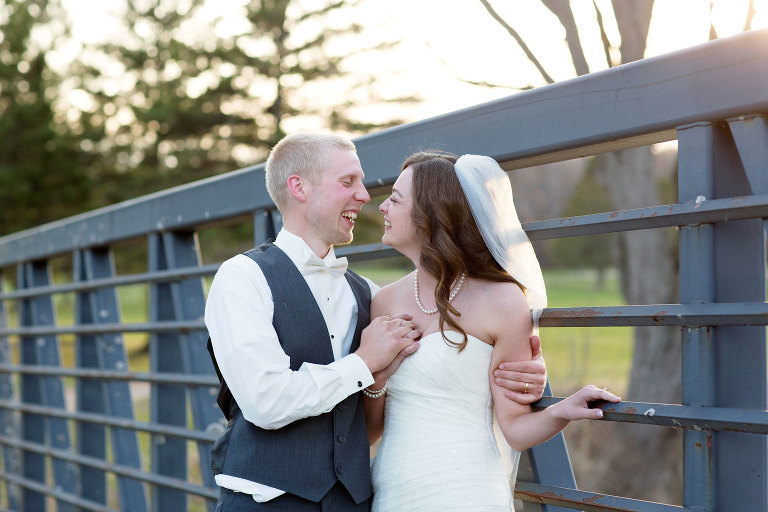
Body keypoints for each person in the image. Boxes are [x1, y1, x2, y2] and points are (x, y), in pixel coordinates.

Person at [205, 133, 548, 511]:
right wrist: (364, 364)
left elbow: (447, 347)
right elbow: (265, 401)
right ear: (298, 187)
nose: (366, 196)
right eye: (348, 181)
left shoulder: (370, 296)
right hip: (264, 500)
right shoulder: (243, 277)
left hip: (356, 502)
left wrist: (523, 367)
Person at [365, 151, 621, 511]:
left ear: (430, 215)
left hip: (468, 490)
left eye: (395, 199)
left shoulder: (503, 302)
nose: (382, 208)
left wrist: (565, 409)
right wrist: (374, 376)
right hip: (393, 489)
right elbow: (370, 430)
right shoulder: (384, 302)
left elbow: (515, 430)